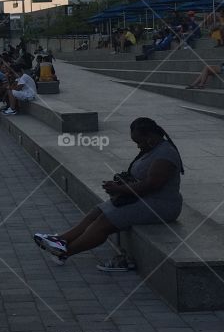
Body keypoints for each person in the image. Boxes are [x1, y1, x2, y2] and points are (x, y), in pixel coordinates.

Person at [34, 117, 184, 273]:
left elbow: (151, 185)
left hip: (161, 205)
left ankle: (65, 252)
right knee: (97, 211)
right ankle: (61, 240)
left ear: (151, 137)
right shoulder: (151, 149)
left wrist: (120, 189)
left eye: (139, 141)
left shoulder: (165, 154)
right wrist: (120, 186)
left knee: (105, 221)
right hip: (143, 199)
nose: (138, 146)